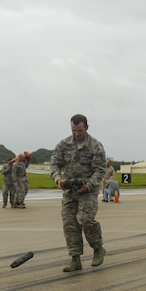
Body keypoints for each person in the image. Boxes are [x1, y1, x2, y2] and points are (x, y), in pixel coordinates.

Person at [50, 114, 107, 273]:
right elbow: (54, 164)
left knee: (85, 219)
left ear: (87, 128)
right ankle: (75, 259)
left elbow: (100, 170)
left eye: (79, 130)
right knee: (70, 223)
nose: (76, 134)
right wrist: (58, 179)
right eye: (73, 130)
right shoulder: (64, 144)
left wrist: (88, 186)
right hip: (70, 190)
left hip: (88, 189)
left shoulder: (95, 146)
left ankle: (98, 248)